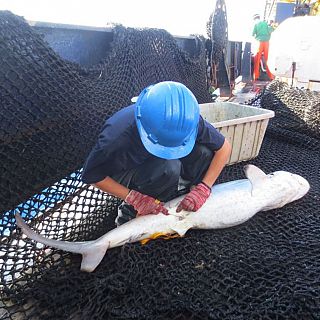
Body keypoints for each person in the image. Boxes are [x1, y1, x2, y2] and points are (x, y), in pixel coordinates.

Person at [82, 81, 231, 225]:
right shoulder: (116, 137)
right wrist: (133, 198)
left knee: (204, 153)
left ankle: (185, 194)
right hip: (127, 170)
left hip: (160, 162)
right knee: (168, 167)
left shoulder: (187, 119)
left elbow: (224, 148)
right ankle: (129, 212)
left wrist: (204, 187)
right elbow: (92, 176)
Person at [252, 14, 274, 81]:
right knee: (268, 60)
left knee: (257, 59)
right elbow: (271, 30)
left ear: (255, 19)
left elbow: (253, 34)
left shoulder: (256, 24)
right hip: (267, 43)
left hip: (259, 42)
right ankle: (271, 76)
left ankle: (256, 76)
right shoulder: (265, 23)